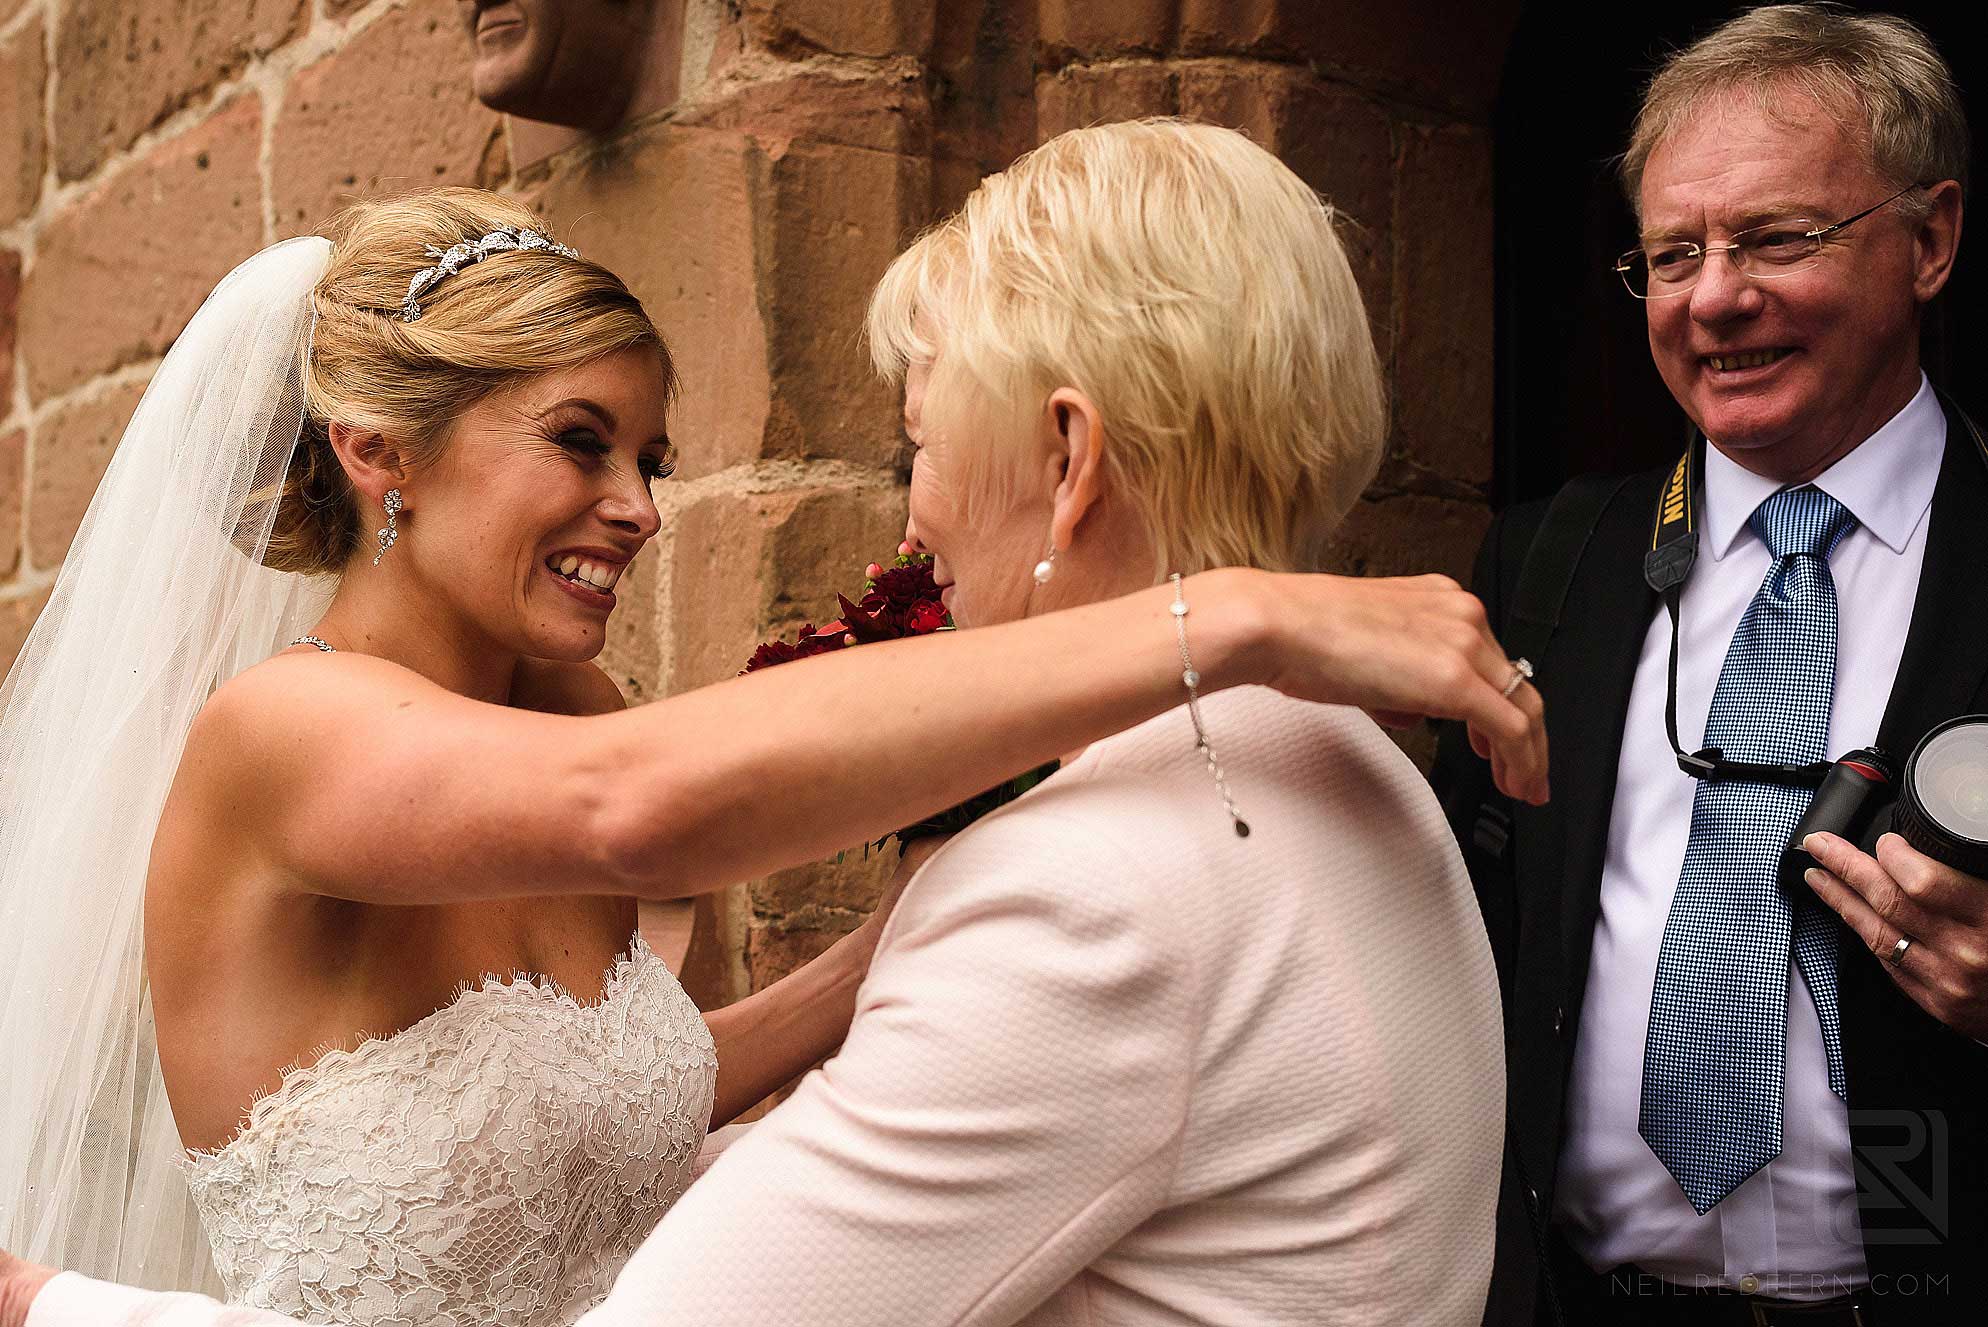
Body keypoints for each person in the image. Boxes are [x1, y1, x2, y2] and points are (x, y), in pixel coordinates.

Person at [1, 120, 1523, 1326]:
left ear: (1067, 459)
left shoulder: (602, 712)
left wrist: (888, 953)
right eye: (580, 444)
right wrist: (1239, 617)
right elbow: (629, 806)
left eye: (650, 454)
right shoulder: (285, 731)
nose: (642, 510)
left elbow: (612, 1089)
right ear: (379, 453)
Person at [1430, 6, 1985, 1325]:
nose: (1717, 295)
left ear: (1931, 239)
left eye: (1777, 236)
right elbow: (1457, 939)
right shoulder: (1545, 566)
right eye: (1673, 253)